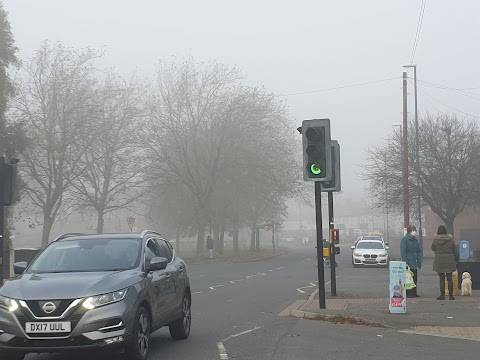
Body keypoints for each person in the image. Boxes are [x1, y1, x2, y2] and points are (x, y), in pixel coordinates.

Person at [432, 225, 459, 300]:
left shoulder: (435, 240)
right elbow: (455, 250)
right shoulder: (450, 240)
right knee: (450, 278)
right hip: (449, 260)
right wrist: (457, 259)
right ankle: (451, 295)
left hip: (439, 261)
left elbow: (432, 248)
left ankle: (442, 295)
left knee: (441, 279)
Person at [400, 225, 422, 298]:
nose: (414, 232)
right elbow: (403, 251)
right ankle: (409, 293)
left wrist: (419, 260)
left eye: (414, 230)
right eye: (413, 230)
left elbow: (419, 250)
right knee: (408, 278)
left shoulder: (415, 240)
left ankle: (414, 292)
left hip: (415, 260)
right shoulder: (405, 239)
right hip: (409, 261)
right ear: (409, 231)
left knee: (414, 277)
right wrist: (405, 262)